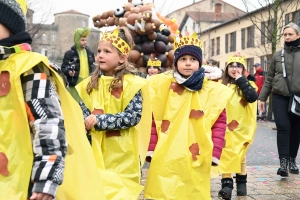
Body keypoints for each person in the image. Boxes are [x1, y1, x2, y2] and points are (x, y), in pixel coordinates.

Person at [143, 33, 233, 199]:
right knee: (163, 190)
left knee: (193, 190)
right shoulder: (162, 86)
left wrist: (215, 152)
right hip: (167, 151)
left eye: (192, 59)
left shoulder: (212, 90)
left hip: (196, 152)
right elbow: (155, 118)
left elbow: (219, 123)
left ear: (200, 62)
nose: (188, 63)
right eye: (183, 59)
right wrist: (151, 147)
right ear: (176, 62)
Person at [76, 27, 151, 184]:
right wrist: (84, 120)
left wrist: (100, 121)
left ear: (122, 58)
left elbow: (133, 116)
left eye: (107, 52)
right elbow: (82, 111)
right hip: (94, 150)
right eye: (99, 51)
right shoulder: (88, 85)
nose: (100, 55)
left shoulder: (131, 84)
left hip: (121, 153)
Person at [258, 22, 300, 177]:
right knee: (283, 127)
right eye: (285, 34)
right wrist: (262, 98)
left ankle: (292, 160)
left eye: (290, 34)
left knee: (295, 130)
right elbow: (269, 78)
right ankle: (283, 164)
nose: (287, 37)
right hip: (279, 96)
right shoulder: (278, 55)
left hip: (298, 98)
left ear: (298, 35)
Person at [217, 53, 258, 199]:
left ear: (243, 68)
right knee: (226, 152)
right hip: (226, 126)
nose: (235, 69)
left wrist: (241, 80)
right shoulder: (221, 86)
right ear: (227, 68)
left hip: (242, 128)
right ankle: (226, 186)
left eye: (238, 66)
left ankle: (242, 185)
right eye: (232, 66)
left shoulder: (248, 84)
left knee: (241, 155)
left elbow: (252, 97)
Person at [61, 27, 95, 102]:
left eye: (85, 40)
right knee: (74, 103)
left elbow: (93, 66)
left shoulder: (90, 53)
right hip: (75, 83)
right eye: (82, 40)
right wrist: (69, 71)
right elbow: (63, 68)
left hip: (87, 83)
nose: (85, 42)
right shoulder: (69, 54)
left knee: (86, 104)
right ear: (77, 40)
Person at [145, 56, 161, 162]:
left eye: (154, 68)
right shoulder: (144, 80)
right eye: (150, 67)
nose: (152, 70)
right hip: (148, 107)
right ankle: (149, 151)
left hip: (158, 107)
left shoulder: (162, 81)